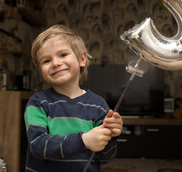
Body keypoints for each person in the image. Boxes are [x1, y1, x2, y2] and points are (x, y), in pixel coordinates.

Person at [24, 24, 123, 172]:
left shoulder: (99, 105)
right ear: (41, 71)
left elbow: (105, 157)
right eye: (46, 61)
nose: (56, 63)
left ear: (82, 59)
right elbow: (38, 146)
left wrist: (111, 136)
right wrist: (83, 141)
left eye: (63, 55)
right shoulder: (37, 103)